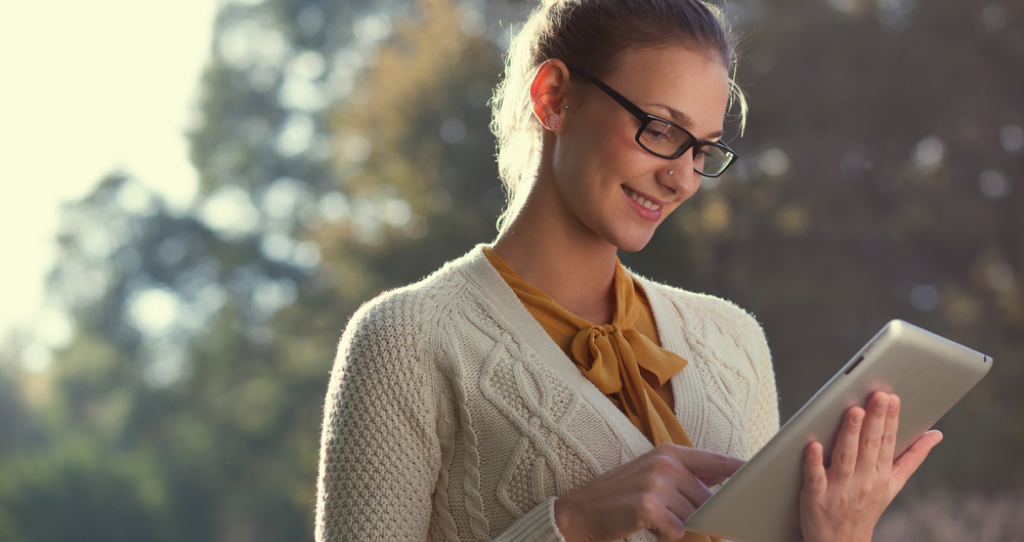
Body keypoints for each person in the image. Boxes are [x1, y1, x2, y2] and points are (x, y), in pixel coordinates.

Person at [314, 0, 943, 540]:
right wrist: (571, 524)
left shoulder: (735, 343)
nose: (681, 178)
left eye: (702, 149)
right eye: (662, 129)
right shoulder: (405, 340)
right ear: (553, 97)